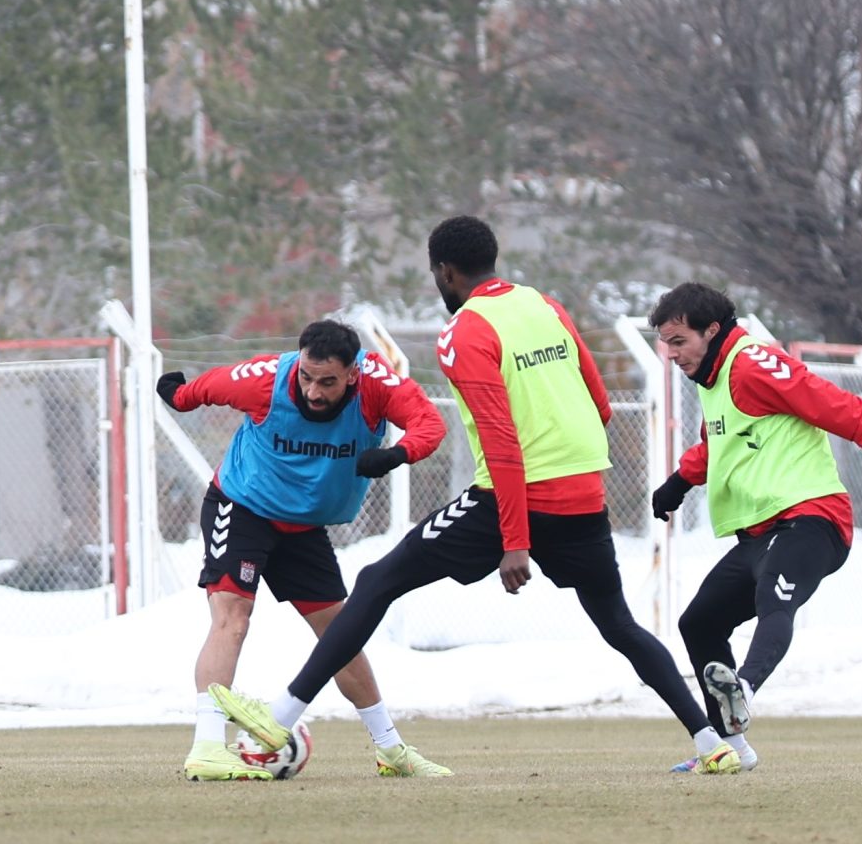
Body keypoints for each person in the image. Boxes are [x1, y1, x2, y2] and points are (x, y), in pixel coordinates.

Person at [210, 216, 735, 770]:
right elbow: (599, 403)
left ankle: (281, 717)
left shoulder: (465, 332)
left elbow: (503, 441)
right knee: (621, 626)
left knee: (376, 581)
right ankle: (711, 743)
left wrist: (515, 541)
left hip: (511, 501)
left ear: (445, 271)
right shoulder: (544, 305)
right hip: (583, 497)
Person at [646, 283, 862, 772]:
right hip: (761, 532)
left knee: (772, 597)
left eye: (679, 341)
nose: (671, 354)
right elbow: (720, 443)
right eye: (666, 343)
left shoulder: (753, 364)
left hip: (813, 519)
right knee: (698, 623)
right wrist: (680, 482)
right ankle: (733, 749)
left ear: (713, 331)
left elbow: (845, 411)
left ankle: (741, 689)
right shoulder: (715, 377)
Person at [163, 318, 453, 780]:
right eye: (306, 376)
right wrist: (179, 395)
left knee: (341, 635)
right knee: (232, 618)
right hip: (242, 508)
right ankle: (207, 748)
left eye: (328, 382)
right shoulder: (265, 380)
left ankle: (391, 751)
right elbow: (206, 388)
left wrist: (399, 454)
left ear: (353, 374)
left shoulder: (378, 385)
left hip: (303, 527)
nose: (314, 391)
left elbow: (429, 423)